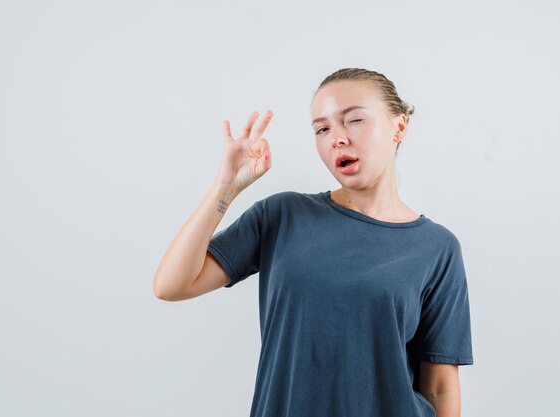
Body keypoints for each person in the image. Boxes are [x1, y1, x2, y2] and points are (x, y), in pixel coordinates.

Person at [153, 67, 474, 417]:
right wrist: (225, 188)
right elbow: (171, 285)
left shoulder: (437, 248)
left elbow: (441, 386)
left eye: (354, 120)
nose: (337, 137)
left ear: (398, 127)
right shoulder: (282, 215)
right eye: (322, 128)